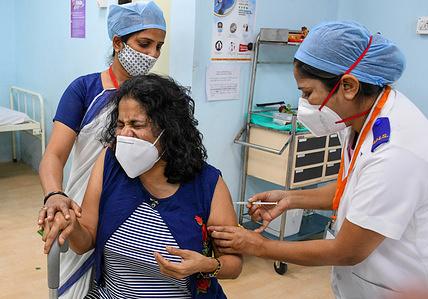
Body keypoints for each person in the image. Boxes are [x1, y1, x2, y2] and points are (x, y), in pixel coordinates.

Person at [209, 20, 428, 298]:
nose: (305, 103)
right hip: (362, 282)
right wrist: (290, 198)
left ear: (348, 86)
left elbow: (347, 251)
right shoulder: (361, 118)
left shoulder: (394, 152)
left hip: (399, 286)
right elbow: (352, 188)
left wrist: (257, 245)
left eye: (308, 92)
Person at [42, 74, 243, 298]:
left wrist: (205, 265)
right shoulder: (109, 162)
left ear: (170, 129)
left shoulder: (208, 184)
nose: (125, 135)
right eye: (120, 125)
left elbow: (233, 264)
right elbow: (85, 240)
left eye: (136, 125)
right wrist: (71, 224)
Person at [37, 2, 167, 297]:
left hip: (136, 215)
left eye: (159, 46)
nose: (153, 55)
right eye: (144, 44)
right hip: (83, 210)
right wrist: (55, 194)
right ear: (118, 42)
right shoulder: (84, 90)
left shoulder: (160, 98)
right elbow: (54, 155)